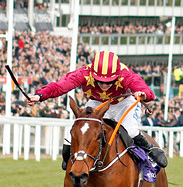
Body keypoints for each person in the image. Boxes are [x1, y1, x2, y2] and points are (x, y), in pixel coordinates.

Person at [26, 50, 168, 170]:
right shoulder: (84, 73)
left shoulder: (125, 73)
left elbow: (146, 90)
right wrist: (39, 96)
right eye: (99, 81)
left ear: (116, 75)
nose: (104, 85)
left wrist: (142, 94)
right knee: (72, 138)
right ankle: (71, 163)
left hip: (123, 102)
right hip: (97, 102)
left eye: (108, 82)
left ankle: (150, 149)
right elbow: (60, 86)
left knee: (130, 130)